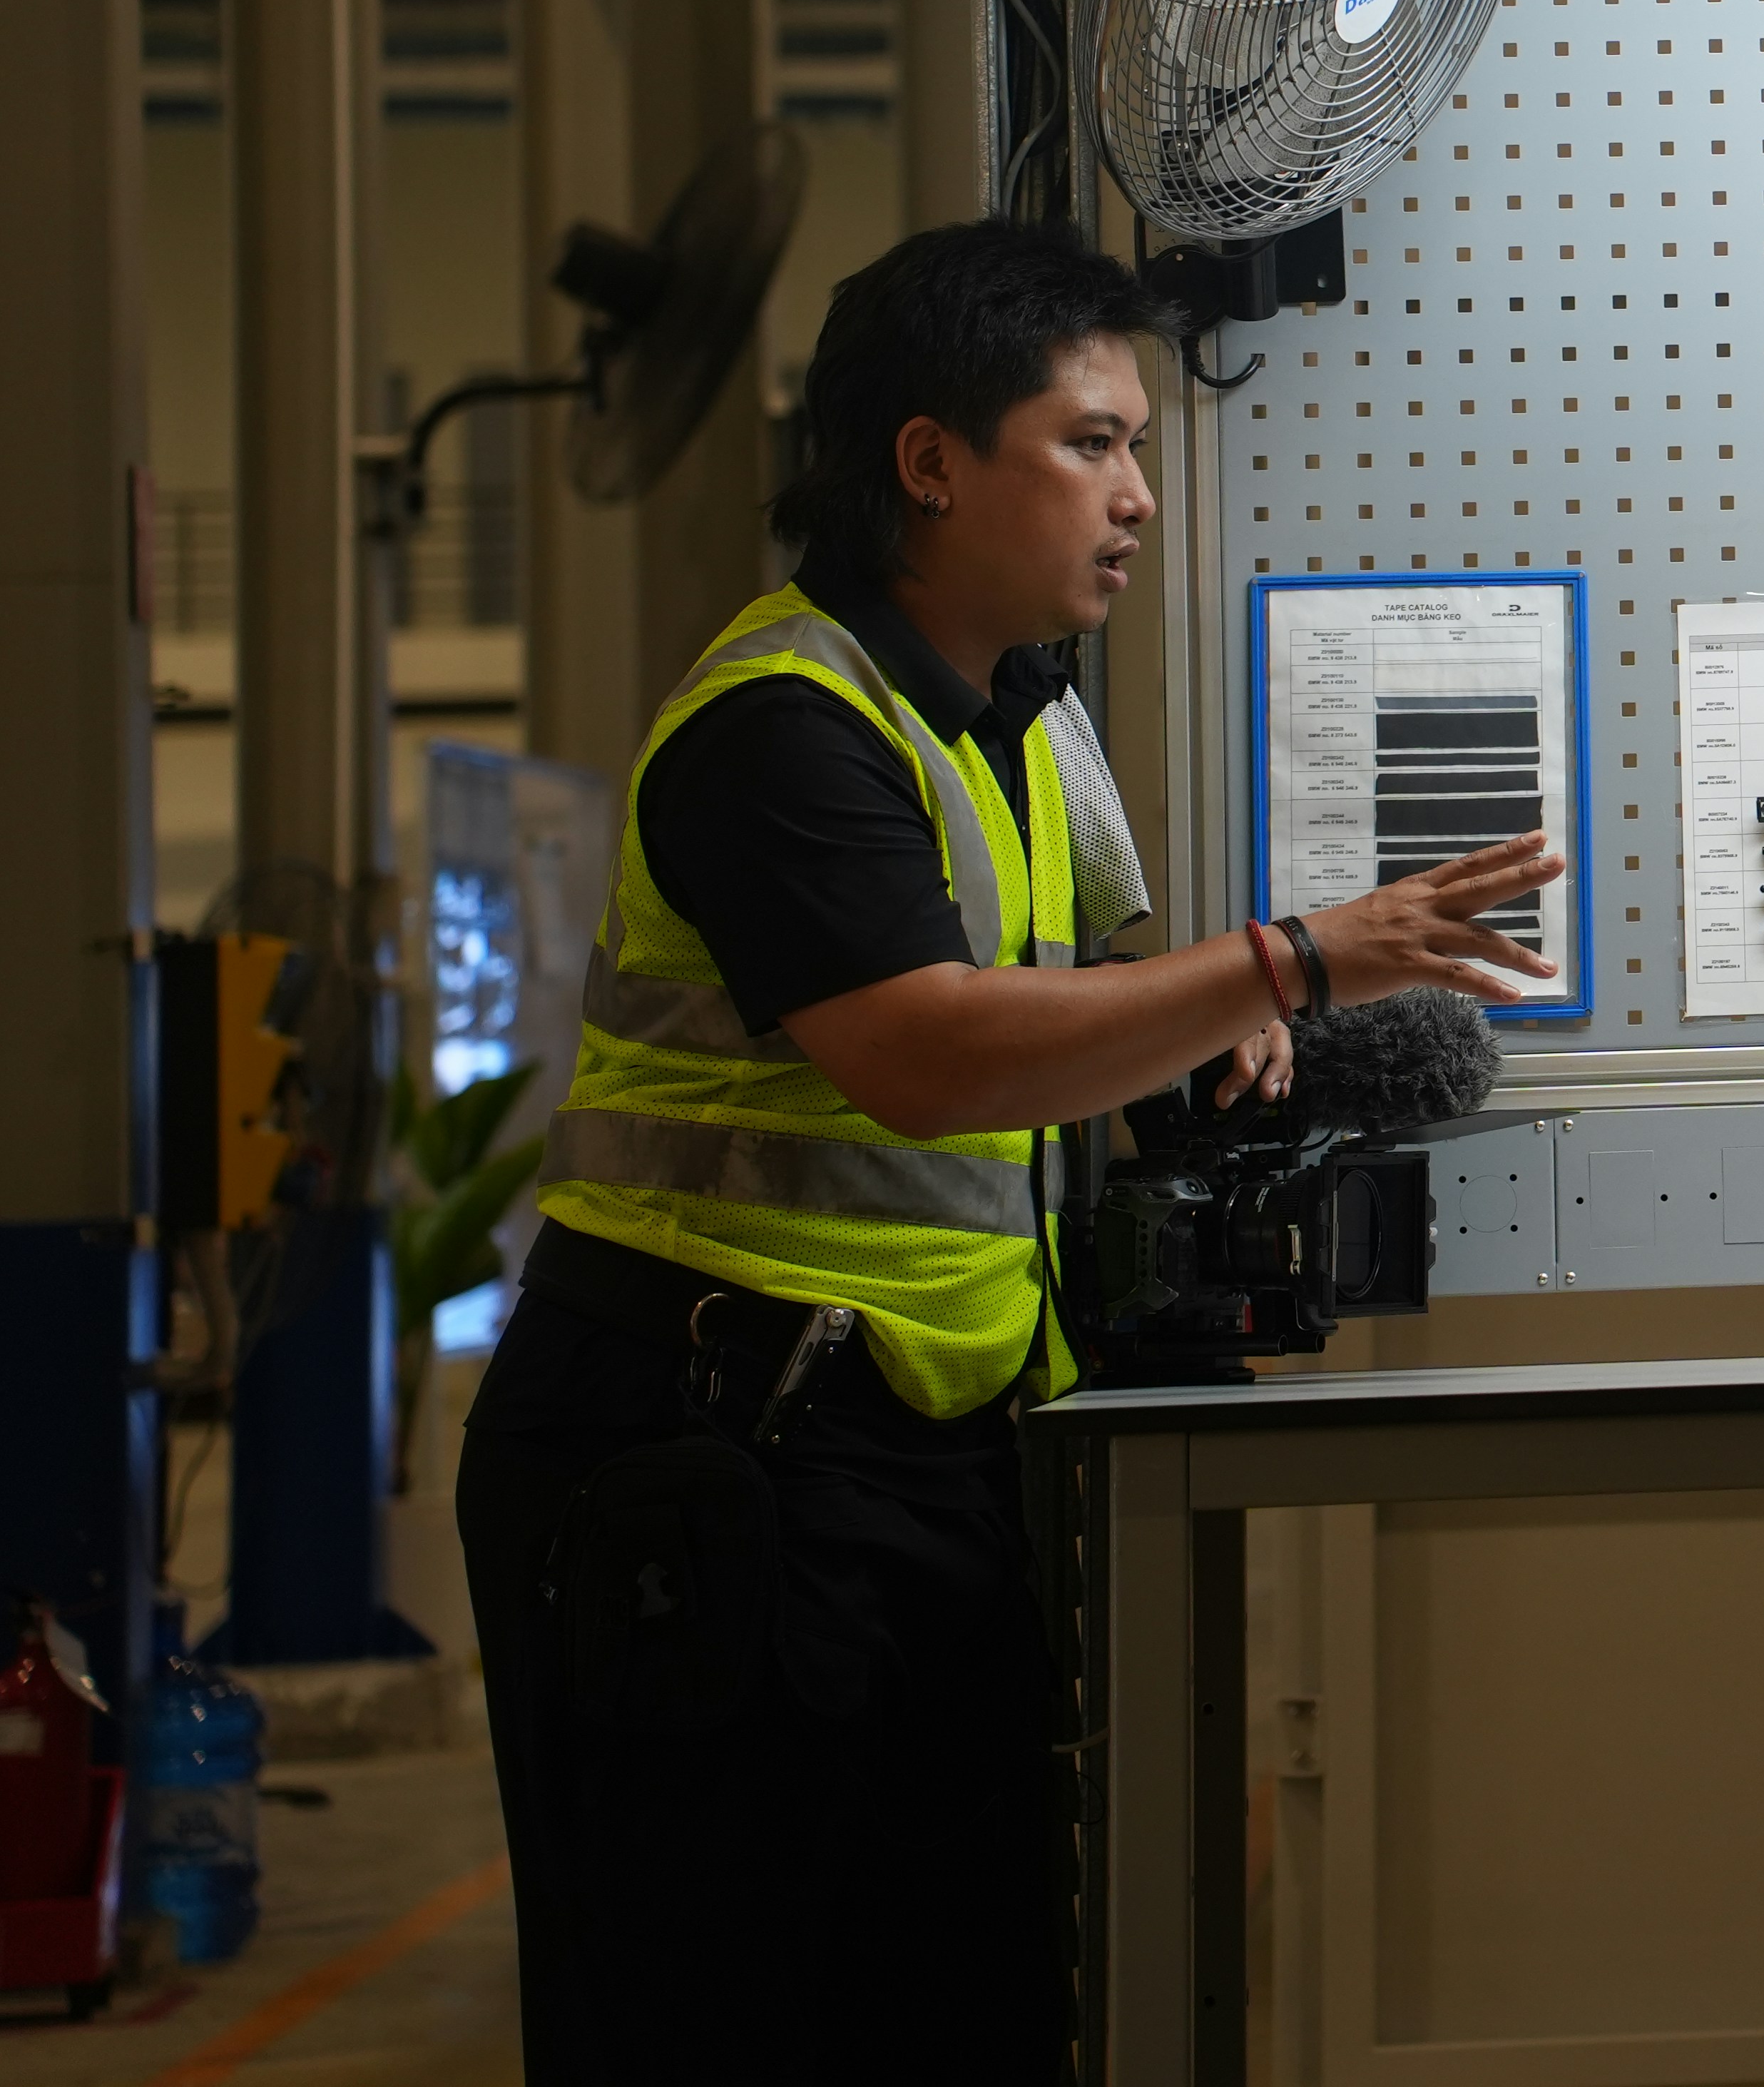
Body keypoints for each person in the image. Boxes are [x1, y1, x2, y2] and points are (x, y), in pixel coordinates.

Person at [458, 220, 1561, 2087]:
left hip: (918, 1448)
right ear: (929, 462)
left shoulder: (1028, 717)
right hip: (701, 1448)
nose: (1138, 495)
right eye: (1091, 443)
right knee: (718, 2017)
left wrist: (1210, 1028)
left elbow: (1079, 994)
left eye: (1138, 446)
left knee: (965, 2000)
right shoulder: (781, 726)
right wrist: (1288, 959)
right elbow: (927, 1053)